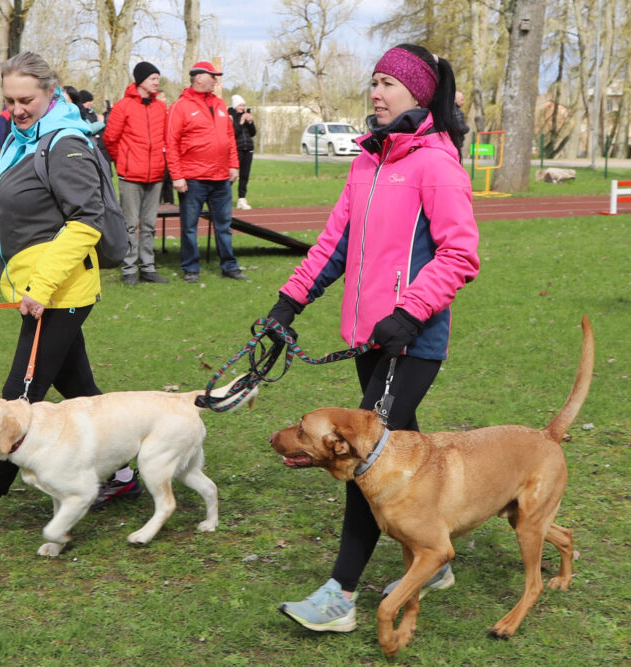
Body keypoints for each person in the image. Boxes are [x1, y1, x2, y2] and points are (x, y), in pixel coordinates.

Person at [267, 43, 480, 633]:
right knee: (397, 462)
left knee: (365, 463)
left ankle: (340, 594)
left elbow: (461, 254)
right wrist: (288, 303)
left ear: (420, 93)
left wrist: (409, 314)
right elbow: (334, 244)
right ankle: (430, 560)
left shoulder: (437, 164)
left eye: (388, 82)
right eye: (374, 82)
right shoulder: (369, 160)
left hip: (412, 343)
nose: (376, 93)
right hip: (369, 342)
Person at [0, 51, 140, 540]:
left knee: (19, 398)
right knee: (80, 391)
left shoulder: (64, 144)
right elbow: (5, 225)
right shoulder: (19, 140)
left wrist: (40, 288)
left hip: (60, 294)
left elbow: (87, 222)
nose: (17, 108)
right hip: (32, 292)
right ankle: (123, 472)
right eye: (9, 100)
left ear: (51, 93)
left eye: (26, 99)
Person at [166, 61, 246, 282]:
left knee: (224, 226)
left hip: (221, 178)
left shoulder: (220, 104)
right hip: (193, 179)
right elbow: (171, 143)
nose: (216, 79)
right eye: (212, 75)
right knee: (190, 227)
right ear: (199, 77)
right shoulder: (180, 106)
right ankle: (191, 268)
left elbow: (230, 137)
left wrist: (233, 165)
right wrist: (177, 175)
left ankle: (229, 265)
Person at [103, 61, 169, 286]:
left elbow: (166, 139)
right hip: (130, 176)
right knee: (130, 225)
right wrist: (124, 161)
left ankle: (148, 267)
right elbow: (110, 139)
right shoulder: (123, 107)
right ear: (141, 80)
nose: (157, 82)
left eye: (157, 78)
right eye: (153, 78)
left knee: (149, 224)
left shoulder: (161, 107)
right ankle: (129, 269)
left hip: (156, 176)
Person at [228, 94, 256, 210]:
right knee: (232, 175)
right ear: (235, 106)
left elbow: (253, 133)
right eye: (240, 105)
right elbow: (233, 133)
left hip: (248, 148)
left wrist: (250, 123)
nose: (242, 107)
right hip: (236, 149)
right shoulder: (230, 117)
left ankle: (242, 198)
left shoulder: (246, 115)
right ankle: (223, 196)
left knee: (245, 175)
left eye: (243, 105)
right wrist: (241, 122)